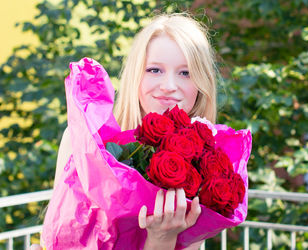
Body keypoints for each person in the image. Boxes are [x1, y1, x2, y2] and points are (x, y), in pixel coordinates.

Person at [31, 12, 218, 250]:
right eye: (154, 70)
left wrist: (161, 239)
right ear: (135, 75)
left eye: (185, 73)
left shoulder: (203, 169)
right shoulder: (79, 140)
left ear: (202, 83)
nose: (169, 86)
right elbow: (55, 229)